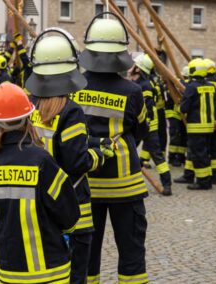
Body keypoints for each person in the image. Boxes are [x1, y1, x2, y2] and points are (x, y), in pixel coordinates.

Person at [74, 12, 149, 283]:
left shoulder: (74, 87)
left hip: (86, 182)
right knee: (131, 251)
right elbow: (142, 130)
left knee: (87, 252)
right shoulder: (133, 91)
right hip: (125, 184)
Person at [0, 82, 80, 284]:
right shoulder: (42, 160)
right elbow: (69, 214)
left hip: (11, 270)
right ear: (28, 118)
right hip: (51, 269)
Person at [26, 28, 104, 283]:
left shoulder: (31, 106)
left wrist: (88, 141)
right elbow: (76, 161)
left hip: (42, 204)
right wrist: (99, 155)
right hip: (74, 207)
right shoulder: (71, 111)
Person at [129, 53, 172, 196]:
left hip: (148, 126)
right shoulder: (135, 84)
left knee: (157, 156)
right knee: (125, 151)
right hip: (136, 126)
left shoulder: (145, 86)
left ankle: (167, 184)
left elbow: (146, 109)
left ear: (138, 69)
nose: (130, 66)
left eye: (133, 64)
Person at [179, 58, 216, 190]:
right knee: (205, 153)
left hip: (196, 127)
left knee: (198, 155)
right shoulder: (211, 86)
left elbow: (183, 108)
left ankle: (203, 182)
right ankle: (207, 179)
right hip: (209, 127)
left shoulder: (191, 87)